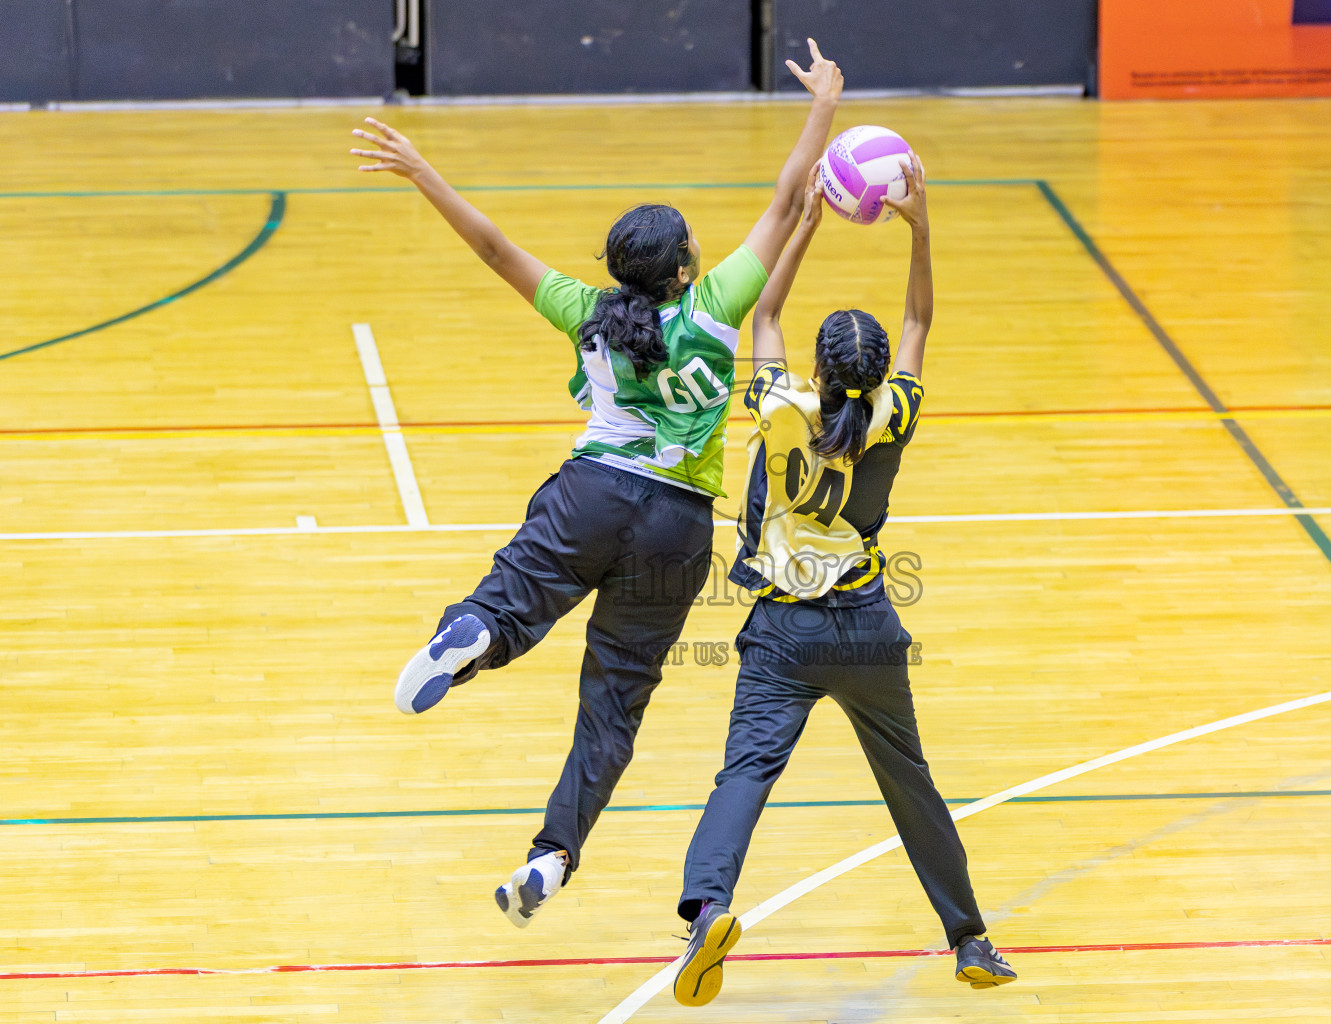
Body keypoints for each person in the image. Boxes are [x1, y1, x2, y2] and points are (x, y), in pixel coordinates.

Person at [348, 40, 844, 928]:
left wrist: (422, 169)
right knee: (614, 699)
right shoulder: (717, 303)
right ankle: (550, 856)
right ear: (685, 269)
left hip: (592, 497)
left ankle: (474, 632)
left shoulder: (588, 313)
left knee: (508, 604)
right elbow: (784, 196)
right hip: (679, 529)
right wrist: (823, 107)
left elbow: (498, 251)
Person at [670, 160, 1017, 1007]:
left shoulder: (782, 404)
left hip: (783, 635)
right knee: (912, 783)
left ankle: (709, 910)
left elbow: (768, 310)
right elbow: (919, 319)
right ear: (878, 375)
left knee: (742, 776)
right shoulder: (894, 414)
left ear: (820, 373)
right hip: (867, 628)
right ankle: (970, 938)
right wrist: (921, 227)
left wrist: (810, 222)